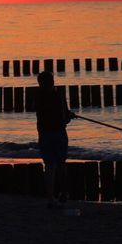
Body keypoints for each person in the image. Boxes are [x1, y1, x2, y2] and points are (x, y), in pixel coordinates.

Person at [35, 69, 73, 207]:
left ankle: (50, 197)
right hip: (59, 133)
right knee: (61, 164)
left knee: (49, 166)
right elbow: (65, 119)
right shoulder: (59, 96)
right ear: (53, 82)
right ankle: (63, 193)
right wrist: (69, 115)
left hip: (44, 134)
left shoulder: (38, 97)